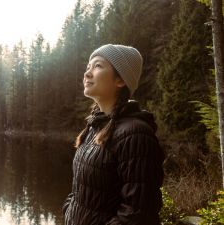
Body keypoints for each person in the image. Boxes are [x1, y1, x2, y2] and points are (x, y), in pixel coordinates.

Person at [62, 44, 164, 225]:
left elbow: (137, 213)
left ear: (120, 80)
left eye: (98, 66)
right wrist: (69, 211)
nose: (87, 73)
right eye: (88, 67)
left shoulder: (135, 134)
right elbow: (80, 191)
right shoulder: (95, 126)